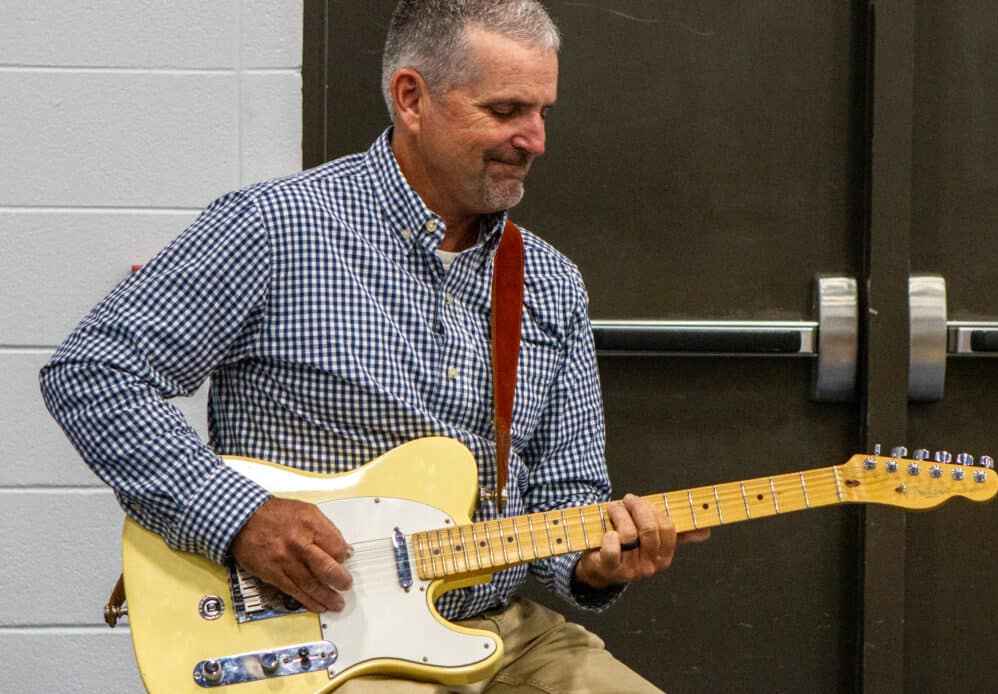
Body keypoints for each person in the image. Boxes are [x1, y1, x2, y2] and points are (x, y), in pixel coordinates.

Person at [40, 1, 708, 691]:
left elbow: (568, 495)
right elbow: (94, 371)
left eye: (543, 111)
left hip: (503, 633)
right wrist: (241, 518)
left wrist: (594, 564)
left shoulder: (550, 283)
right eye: (506, 110)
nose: (535, 139)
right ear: (412, 98)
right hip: (318, 635)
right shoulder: (276, 228)